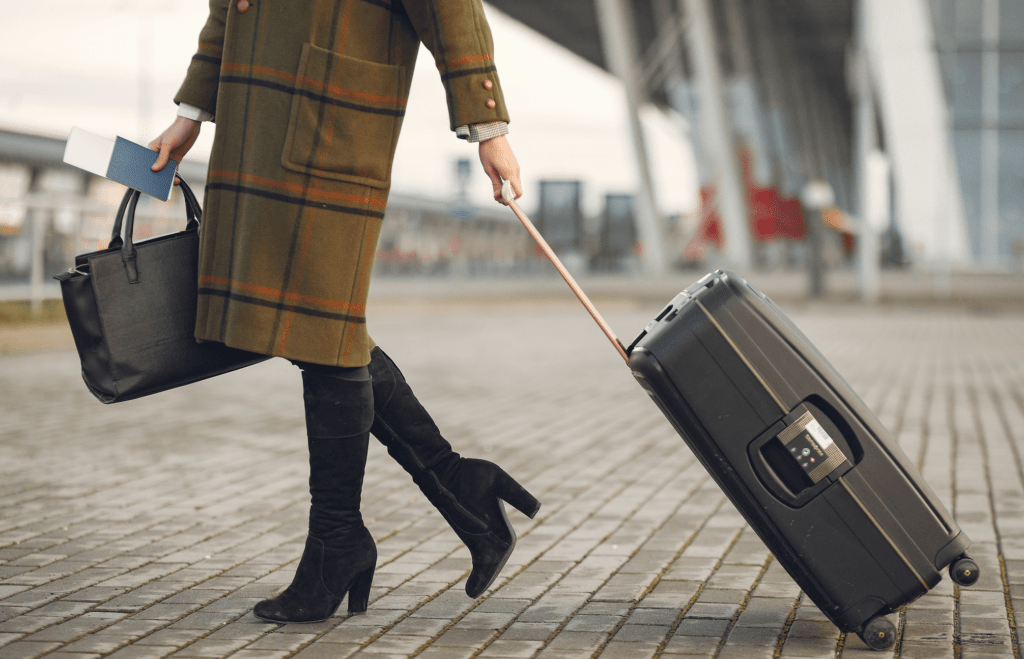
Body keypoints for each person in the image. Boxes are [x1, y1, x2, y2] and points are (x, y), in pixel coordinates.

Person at [149, 0, 540, 624]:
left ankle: (341, 538)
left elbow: (450, 7)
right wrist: (190, 112)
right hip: (254, 120)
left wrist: (488, 127)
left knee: (323, 330)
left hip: (330, 114)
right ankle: (454, 486)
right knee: (319, 328)